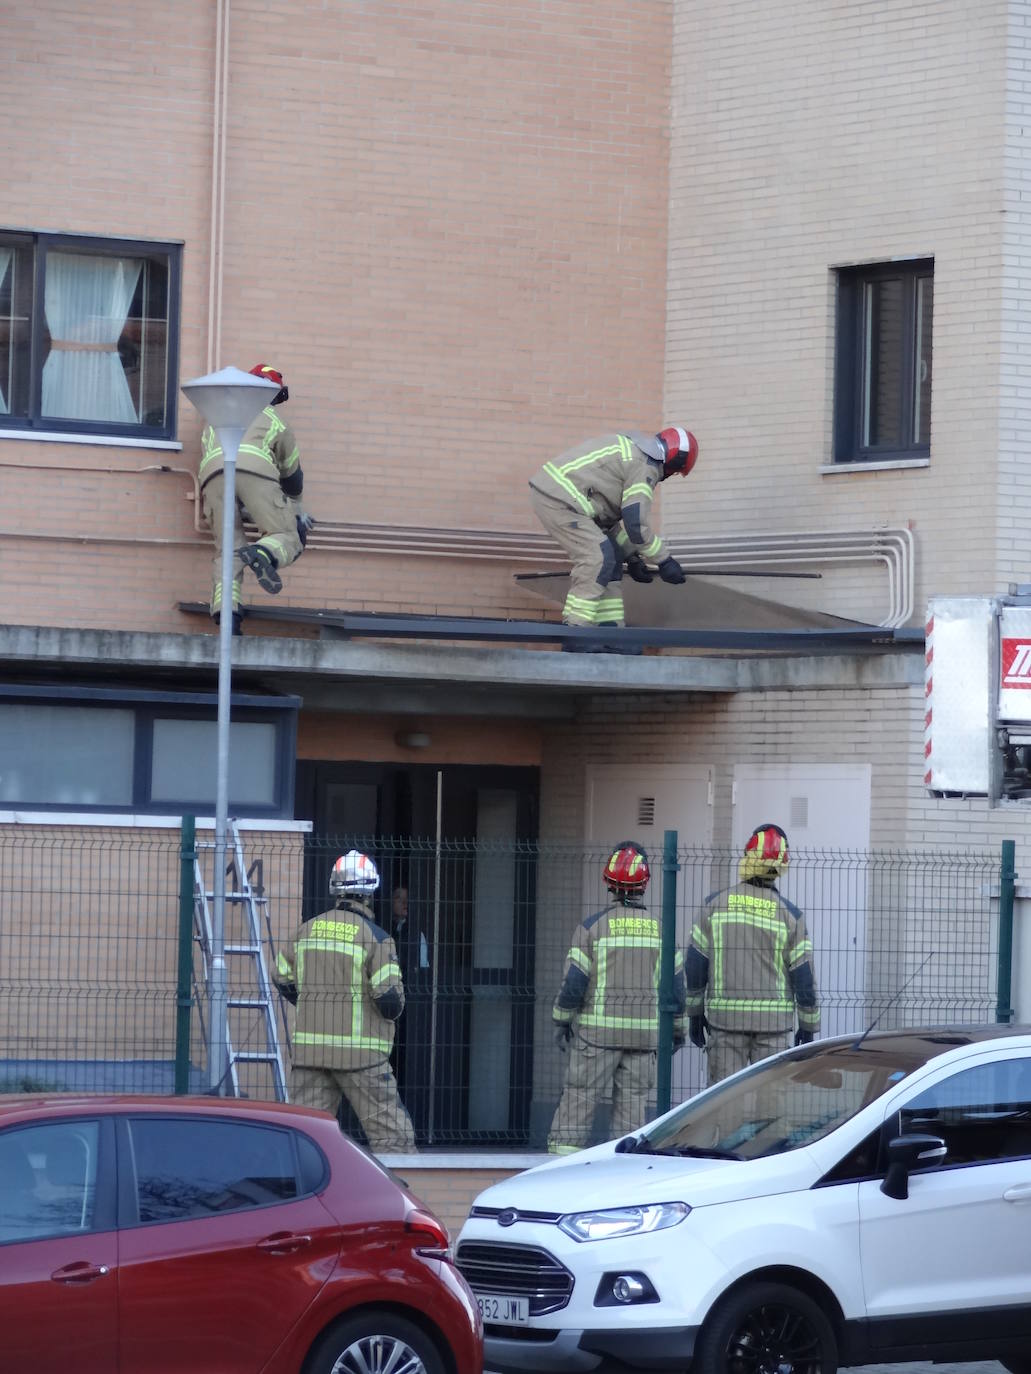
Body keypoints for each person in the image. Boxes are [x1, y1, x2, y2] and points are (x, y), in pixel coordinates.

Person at [547, 841, 687, 1154]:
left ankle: (560, 1171)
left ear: (609, 883)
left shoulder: (592, 928)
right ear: (645, 884)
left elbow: (573, 985)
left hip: (596, 1038)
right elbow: (676, 989)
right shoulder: (660, 932)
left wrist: (561, 1020)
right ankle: (623, 1179)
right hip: (643, 1039)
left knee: (578, 1105)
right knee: (631, 1115)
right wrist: (678, 1030)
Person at [273, 849, 416, 1153]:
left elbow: (281, 977)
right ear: (370, 893)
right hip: (361, 1059)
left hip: (310, 1056)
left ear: (334, 889)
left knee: (301, 1139)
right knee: (393, 1139)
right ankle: (398, 1200)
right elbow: (389, 999)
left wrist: (313, 1003)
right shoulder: (376, 938)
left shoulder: (304, 931)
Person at [529, 426, 699, 651]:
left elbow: (606, 521)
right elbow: (635, 524)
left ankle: (610, 633)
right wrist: (664, 561)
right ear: (675, 461)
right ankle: (577, 633)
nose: (669, 476)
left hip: (563, 497)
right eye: (676, 471)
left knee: (612, 558)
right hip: (560, 501)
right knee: (597, 557)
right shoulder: (645, 467)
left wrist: (632, 557)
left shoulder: (632, 452)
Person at [685, 823, 820, 1084]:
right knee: (770, 1115)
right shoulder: (790, 916)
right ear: (781, 866)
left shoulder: (714, 906)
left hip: (725, 1027)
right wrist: (808, 1027)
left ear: (747, 857)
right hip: (774, 1031)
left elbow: (694, 967)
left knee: (724, 1108)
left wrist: (694, 1013)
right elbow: (803, 979)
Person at [198, 363, 313, 635]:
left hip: (212, 477)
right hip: (255, 471)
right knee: (287, 535)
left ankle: (228, 617)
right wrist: (295, 509)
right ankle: (264, 552)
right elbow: (292, 474)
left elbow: (210, 455)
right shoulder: (273, 419)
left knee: (229, 549)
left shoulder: (216, 416)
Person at [390, 884, 433, 1139]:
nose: (404, 904)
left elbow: (423, 971)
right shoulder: (380, 931)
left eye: (407, 899)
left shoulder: (416, 935)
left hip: (407, 1009)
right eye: (398, 898)